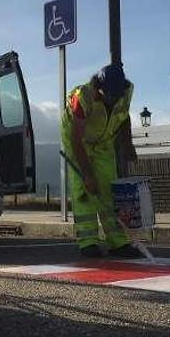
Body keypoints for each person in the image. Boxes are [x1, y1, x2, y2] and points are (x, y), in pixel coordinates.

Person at [60, 64, 142, 259]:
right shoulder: (83, 97)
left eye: (115, 97)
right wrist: (87, 175)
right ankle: (88, 242)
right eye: (108, 96)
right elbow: (76, 140)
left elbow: (124, 117)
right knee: (85, 192)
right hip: (79, 142)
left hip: (104, 143)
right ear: (98, 87)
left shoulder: (125, 92)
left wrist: (128, 143)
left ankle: (118, 243)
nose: (112, 101)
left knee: (109, 190)